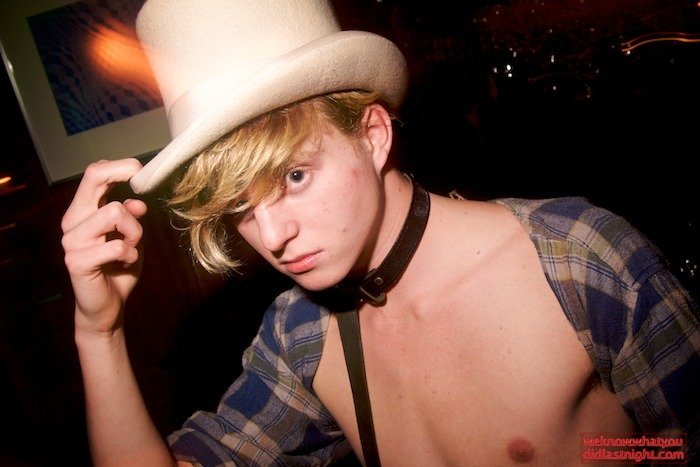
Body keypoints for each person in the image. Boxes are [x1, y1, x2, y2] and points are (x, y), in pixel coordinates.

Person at [61, 0, 699, 465]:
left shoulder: (573, 257)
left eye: (295, 177)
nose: (273, 236)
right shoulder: (300, 335)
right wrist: (99, 332)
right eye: (240, 208)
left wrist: (609, 452)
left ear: (372, 135)